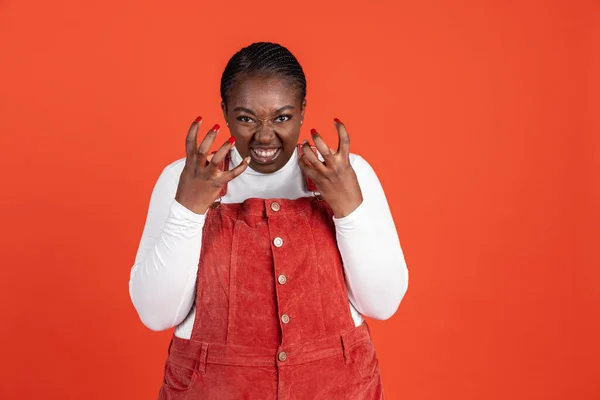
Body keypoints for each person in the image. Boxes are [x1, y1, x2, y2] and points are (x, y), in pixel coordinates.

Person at [129, 41, 409, 399]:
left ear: (303, 111)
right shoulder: (182, 179)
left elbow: (382, 304)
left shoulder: (348, 175)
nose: (264, 136)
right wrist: (188, 210)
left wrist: (348, 208)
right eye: (246, 118)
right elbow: (156, 314)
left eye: (282, 117)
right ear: (225, 111)